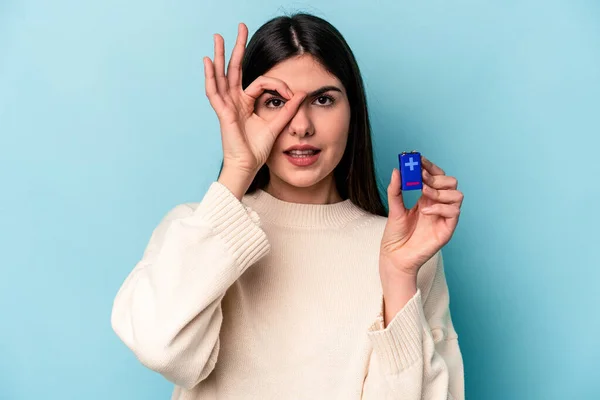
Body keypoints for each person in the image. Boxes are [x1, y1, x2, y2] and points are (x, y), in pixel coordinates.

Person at [111, 12, 465, 400]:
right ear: (246, 112)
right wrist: (238, 169)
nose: (301, 125)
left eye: (324, 100)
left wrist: (398, 277)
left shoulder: (407, 252)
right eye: (275, 101)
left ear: (353, 111)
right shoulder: (197, 230)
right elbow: (160, 349)